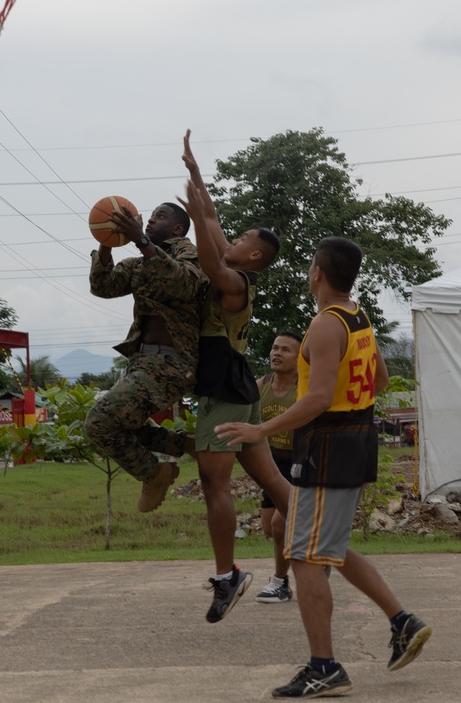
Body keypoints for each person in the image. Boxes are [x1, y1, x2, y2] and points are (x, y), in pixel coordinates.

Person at [216, 237, 432, 698]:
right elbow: (380, 380)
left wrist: (260, 429)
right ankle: (402, 620)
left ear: (317, 272)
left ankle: (325, 666)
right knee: (326, 544)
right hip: (353, 441)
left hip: (328, 446)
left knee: (304, 555)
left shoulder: (325, 326)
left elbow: (316, 398)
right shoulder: (359, 318)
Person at [178, 131, 292, 623]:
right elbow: (210, 219)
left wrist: (203, 223)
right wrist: (197, 174)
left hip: (224, 388)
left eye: (244, 240)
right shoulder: (235, 264)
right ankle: (324, 542)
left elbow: (207, 253)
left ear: (253, 259)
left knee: (214, 483)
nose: (235, 240)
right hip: (240, 387)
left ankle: (228, 575)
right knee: (276, 484)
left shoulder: (233, 281)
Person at [85, 200, 206, 512]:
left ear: (178, 228)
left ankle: (155, 474)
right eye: (150, 217)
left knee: (99, 422)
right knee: (124, 424)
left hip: (173, 363)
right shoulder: (139, 262)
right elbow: (103, 287)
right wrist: (107, 245)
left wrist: (141, 240)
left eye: (160, 217)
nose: (151, 221)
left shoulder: (187, 251)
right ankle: (184, 445)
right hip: (142, 363)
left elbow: (184, 284)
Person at [254, 331, 303, 604]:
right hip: (270, 465)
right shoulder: (260, 385)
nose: (276, 353)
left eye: (285, 350)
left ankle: (280, 584)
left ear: (299, 358)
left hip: (299, 463)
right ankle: (314, 555)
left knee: (280, 525)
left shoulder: (305, 386)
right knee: (269, 528)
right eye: (274, 348)